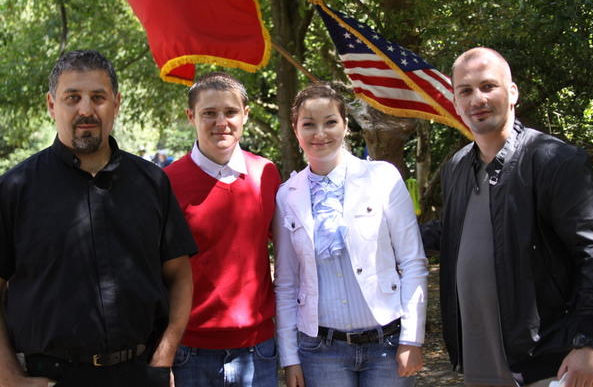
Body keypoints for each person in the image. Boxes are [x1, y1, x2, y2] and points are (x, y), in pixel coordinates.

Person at [0, 50, 197, 387]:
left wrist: (164, 356)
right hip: (50, 377)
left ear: (116, 104)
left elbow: (179, 276)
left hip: (140, 373)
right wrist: (7, 375)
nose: (86, 110)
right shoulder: (15, 188)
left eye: (98, 97)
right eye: (72, 97)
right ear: (52, 105)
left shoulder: (152, 182)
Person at [421, 47, 593, 387]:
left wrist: (591, 342)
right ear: (455, 101)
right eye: (466, 91)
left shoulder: (555, 161)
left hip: (550, 362)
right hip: (479, 361)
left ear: (513, 92)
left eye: (488, 86)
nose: (478, 99)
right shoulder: (457, 167)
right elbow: (454, 231)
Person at [274, 84, 428, 387]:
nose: (320, 133)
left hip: (387, 343)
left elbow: (413, 261)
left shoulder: (382, 177)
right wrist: (290, 357)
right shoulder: (287, 196)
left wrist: (412, 338)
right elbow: (287, 283)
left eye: (330, 122)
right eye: (309, 124)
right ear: (296, 130)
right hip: (321, 350)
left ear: (345, 126)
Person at [164, 72, 281, 387]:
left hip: (258, 349)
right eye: (209, 113)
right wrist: (163, 354)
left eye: (230, 112)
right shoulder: (166, 183)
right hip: (190, 352)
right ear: (191, 116)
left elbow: (290, 258)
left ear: (245, 114)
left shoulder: (266, 174)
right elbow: (154, 272)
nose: (221, 122)